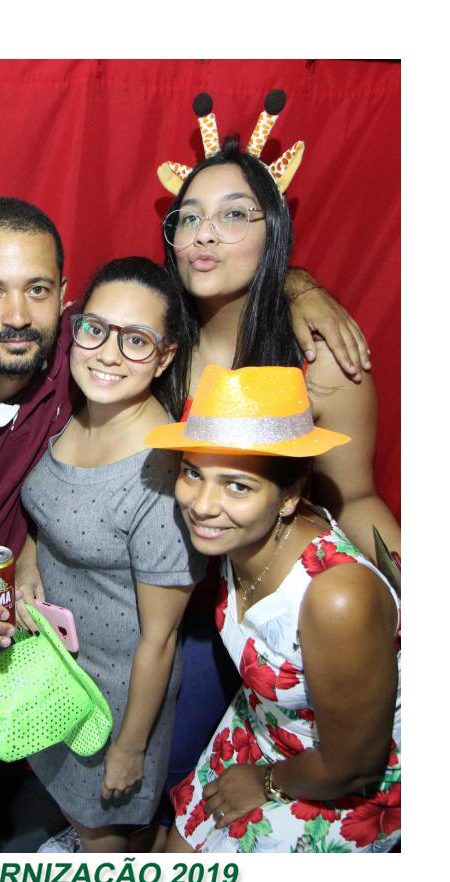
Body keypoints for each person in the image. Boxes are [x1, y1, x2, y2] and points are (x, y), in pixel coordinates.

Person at [0, 196, 372, 854]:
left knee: (88, 811)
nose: (17, 314)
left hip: (99, 671)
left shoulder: (110, 397)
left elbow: (159, 640)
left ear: (62, 300)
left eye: (37, 291)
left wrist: (297, 284)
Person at [156, 126, 401, 839]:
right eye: (189, 217)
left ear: (275, 233)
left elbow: (357, 497)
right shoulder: (158, 340)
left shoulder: (315, 360)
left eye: (236, 214)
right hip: (188, 594)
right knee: (159, 783)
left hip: (280, 614)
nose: (206, 233)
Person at [144, 364, 400, 853]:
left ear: (289, 497)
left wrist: (264, 781)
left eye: (237, 485)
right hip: (261, 723)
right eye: (193, 473)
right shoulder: (239, 535)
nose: (202, 505)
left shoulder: (336, 598)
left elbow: (357, 765)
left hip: (337, 775)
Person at [18, 258, 205, 852]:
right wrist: (28, 558)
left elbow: (160, 640)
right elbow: (50, 510)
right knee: (70, 807)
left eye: (137, 340)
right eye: (95, 329)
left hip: (116, 693)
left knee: (104, 833)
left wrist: (130, 748)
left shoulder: (161, 473)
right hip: (60, 671)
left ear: (165, 356)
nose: (107, 353)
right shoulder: (74, 409)